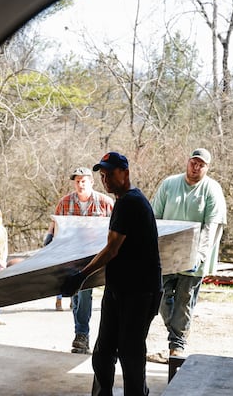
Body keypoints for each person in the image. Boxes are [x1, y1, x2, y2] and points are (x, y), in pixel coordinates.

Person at [61, 152, 162, 396]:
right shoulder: (123, 201)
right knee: (104, 350)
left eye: (110, 174)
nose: (106, 179)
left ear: (125, 173)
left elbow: (112, 249)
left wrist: (81, 275)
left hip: (139, 291)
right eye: (103, 175)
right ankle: (103, 392)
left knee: (130, 352)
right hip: (119, 288)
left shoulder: (131, 202)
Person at [148, 147, 227, 362]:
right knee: (161, 297)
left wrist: (200, 255)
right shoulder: (170, 184)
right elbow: (154, 217)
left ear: (207, 167)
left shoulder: (212, 189)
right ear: (188, 162)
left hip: (195, 258)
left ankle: (177, 344)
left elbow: (212, 227)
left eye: (201, 164)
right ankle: (174, 331)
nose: (196, 167)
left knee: (184, 300)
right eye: (194, 162)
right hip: (167, 255)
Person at [44, 166, 115, 353]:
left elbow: (117, 230)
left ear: (91, 182)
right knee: (76, 295)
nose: (80, 184)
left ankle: (82, 334)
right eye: (77, 181)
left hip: (96, 257)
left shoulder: (105, 203)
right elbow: (53, 226)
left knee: (84, 292)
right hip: (70, 256)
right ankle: (81, 334)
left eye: (84, 181)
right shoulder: (65, 202)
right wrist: (48, 244)